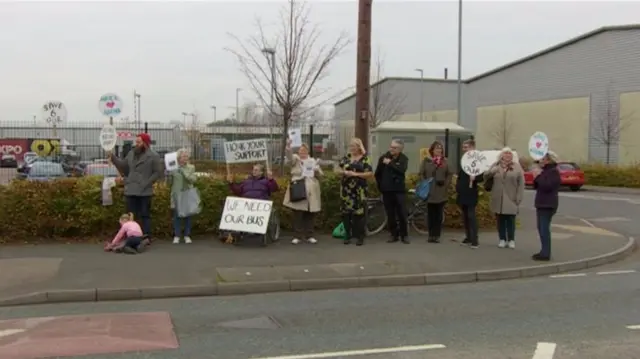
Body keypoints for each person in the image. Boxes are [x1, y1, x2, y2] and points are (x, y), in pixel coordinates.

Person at [109, 133, 163, 239]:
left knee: (145, 215)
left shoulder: (153, 156)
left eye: (139, 142)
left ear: (145, 143)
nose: (136, 144)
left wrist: (147, 182)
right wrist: (113, 158)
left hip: (145, 190)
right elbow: (123, 167)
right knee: (130, 215)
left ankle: (146, 236)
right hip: (131, 188)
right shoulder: (131, 153)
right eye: (136, 142)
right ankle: (131, 236)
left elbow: (157, 173)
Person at [283, 141, 323, 245]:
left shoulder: (312, 161)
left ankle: (309, 235)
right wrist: (288, 147)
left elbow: (320, 174)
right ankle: (297, 236)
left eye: (304, 151)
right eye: (301, 151)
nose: (302, 153)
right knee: (298, 213)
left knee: (310, 213)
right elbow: (289, 158)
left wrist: (316, 170)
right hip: (299, 187)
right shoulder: (296, 159)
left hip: (311, 189)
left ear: (308, 151)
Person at [335, 138, 373, 246]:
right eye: (350, 146)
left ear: (359, 147)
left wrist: (355, 174)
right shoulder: (346, 158)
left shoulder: (365, 159)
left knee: (359, 214)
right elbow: (336, 170)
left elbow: (369, 173)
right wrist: (344, 172)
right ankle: (347, 235)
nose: (352, 148)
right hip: (346, 190)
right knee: (346, 213)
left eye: (354, 146)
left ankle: (360, 236)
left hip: (359, 190)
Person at [484, 147, 525, 249]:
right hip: (498, 197)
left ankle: (511, 240)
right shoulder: (496, 165)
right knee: (500, 219)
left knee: (510, 219)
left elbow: (521, 183)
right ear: (501, 155)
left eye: (509, 154)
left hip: (511, 197)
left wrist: (519, 197)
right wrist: (492, 171)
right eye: (505, 153)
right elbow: (485, 176)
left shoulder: (517, 167)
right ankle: (502, 239)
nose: (507, 155)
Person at [374, 139, 410, 244]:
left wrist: (390, 163)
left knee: (402, 213)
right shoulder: (383, 158)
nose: (391, 149)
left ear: (400, 149)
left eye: (395, 148)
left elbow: (401, 170)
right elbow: (377, 174)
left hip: (399, 190)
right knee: (390, 214)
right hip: (387, 190)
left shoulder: (403, 159)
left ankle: (404, 235)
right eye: (391, 147)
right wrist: (381, 186)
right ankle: (393, 234)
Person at [419, 141, 453, 243]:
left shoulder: (445, 161)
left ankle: (437, 235)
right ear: (432, 150)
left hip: (440, 190)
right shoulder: (427, 161)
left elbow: (450, 174)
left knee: (438, 214)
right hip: (429, 190)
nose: (439, 150)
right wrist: (424, 183)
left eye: (440, 149)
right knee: (430, 214)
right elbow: (421, 173)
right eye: (436, 149)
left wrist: (446, 185)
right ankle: (431, 235)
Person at [532, 150, 561, 261]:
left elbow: (547, 186)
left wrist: (538, 177)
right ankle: (543, 251)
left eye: (543, 159)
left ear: (549, 160)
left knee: (544, 228)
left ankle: (545, 253)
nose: (541, 161)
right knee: (541, 228)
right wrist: (536, 177)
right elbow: (537, 186)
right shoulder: (545, 171)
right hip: (542, 203)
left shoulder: (553, 172)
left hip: (547, 204)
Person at [456, 139, 483, 248]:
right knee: (465, 216)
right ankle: (468, 237)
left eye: (466, 147)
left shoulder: (477, 161)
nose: (464, 149)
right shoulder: (464, 160)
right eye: (463, 147)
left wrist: (475, 178)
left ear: (472, 148)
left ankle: (475, 239)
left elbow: (481, 177)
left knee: (471, 216)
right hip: (463, 192)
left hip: (471, 192)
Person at [169, 149, 197, 244]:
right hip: (177, 194)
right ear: (179, 158)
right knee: (177, 216)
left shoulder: (191, 167)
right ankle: (177, 235)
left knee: (187, 216)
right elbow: (170, 182)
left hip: (188, 193)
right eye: (183, 156)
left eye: (186, 156)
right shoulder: (173, 168)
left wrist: (184, 172)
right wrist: (168, 174)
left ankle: (187, 235)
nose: (185, 158)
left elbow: (192, 180)